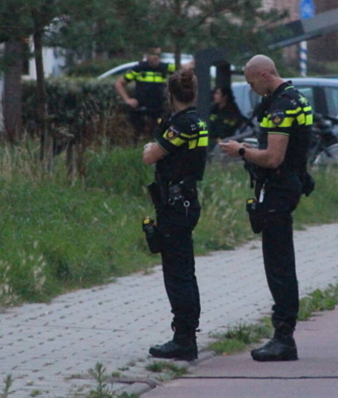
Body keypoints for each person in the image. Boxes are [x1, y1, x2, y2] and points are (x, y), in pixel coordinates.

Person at [218, 55, 312, 361]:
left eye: (251, 83)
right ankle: (283, 334)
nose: (252, 89)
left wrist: (241, 150)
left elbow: (273, 158)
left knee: (279, 265)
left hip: (279, 191)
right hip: (290, 185)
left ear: (264, 75)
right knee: (281, 263)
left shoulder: (282, 106)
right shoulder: (298, 98)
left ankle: (284, 338)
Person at [142, 68, 209, 361]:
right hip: (186, 202)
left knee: (177, 273)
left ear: (170, 96)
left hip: (175, 206)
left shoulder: (181, 125)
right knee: (185, 270)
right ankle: (186, 334)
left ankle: (183, 339)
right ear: (194, 94)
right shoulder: (197, 122)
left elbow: (150, 156)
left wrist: (152, 145)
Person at [116, 47, 192, 139]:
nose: (155, 57)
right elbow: (119, 83)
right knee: (137, 130)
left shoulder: (165, 67)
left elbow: (182, 68)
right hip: (141, 105)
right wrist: (127, 100)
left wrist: (193, 63)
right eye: (153, 54)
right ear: (147, 56)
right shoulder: (139, 68)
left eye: (158, 55)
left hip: (159, 105)